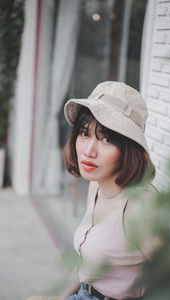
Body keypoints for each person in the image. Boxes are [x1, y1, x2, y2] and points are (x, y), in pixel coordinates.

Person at [28, 81, 159, 300]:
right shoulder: (96, 186)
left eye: (106, 139)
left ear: (128, 148)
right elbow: (84, 268)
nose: (89, 151)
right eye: (84, 133)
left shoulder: (141, 205)